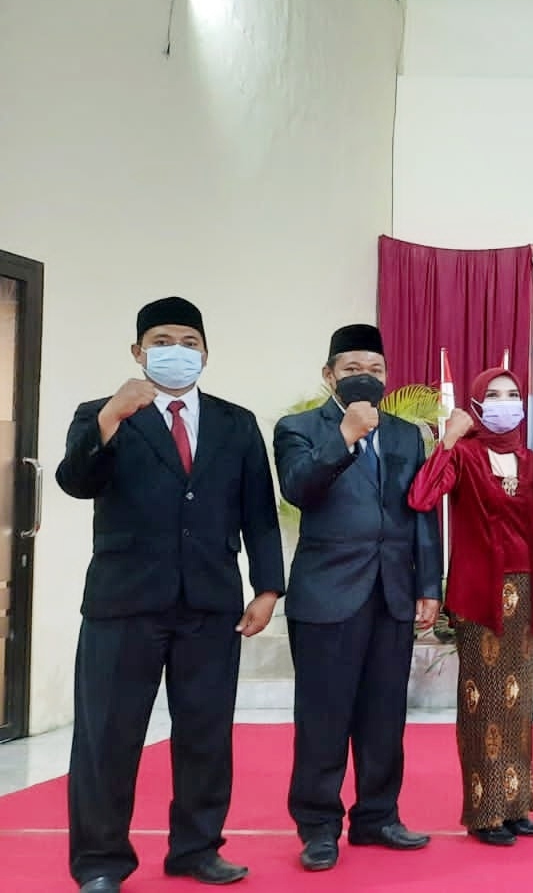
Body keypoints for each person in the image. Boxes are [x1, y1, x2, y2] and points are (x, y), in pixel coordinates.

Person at [57, 297, 284, 893]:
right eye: (162, 341)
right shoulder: (101, 413)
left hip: (210, 602)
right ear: (138, 351)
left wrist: (267, 587)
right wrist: (111, 417)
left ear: (205, 353)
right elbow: (75, 481)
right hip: (122, 602)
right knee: (108, 737)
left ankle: (197, 849)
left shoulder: (236, 422)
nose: (177, 351)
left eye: (189, 342)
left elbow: (260, 513)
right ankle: (100, 862)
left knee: (205, 735)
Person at [274, 324, 442, 872]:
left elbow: (421, 510)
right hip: (327, 594)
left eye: (374, 369)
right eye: (352, 369)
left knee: (384, 715)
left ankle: (377, 816)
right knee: (323, 717)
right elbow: (299, 488)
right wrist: (344, 436)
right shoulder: (299, 428)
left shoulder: (406, 434)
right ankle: (318, 826)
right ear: (329, 375)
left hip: (392, 592)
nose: (364, 377)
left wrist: (428, 584)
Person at [407, 367, 533, 846]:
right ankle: (484, 812)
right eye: (493, 394)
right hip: (478, 594)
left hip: (524, 592)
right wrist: (449, 439)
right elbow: (421, 497)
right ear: (475, 404)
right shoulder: (466, 455)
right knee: (484, 703)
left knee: (519, 702)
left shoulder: (529, 460)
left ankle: (515, 805)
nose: (504, 402)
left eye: (512, 394)